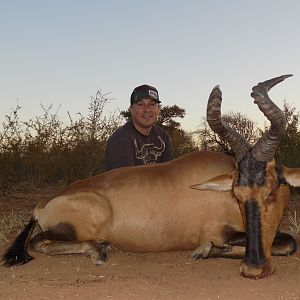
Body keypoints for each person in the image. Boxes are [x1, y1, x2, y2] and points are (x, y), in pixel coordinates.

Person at [105, 84, 174, 170]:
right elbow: (127, 181)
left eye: (152, 104)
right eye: (140, 105)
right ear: (131, 110)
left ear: (159, 109)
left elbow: (169, 173)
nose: (147, 109)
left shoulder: (163, 137)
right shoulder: (120, 139)